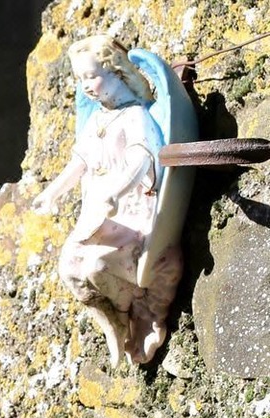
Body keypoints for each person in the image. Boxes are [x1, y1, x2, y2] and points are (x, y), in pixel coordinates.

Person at [33, 35, 181, 366]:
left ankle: (136, 303)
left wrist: (117, 190)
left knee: (98, 267)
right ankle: (114, 319)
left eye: (91, 76)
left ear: (116, 72)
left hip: (131, 213)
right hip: (100, 214)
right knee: (69, 267)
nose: (85, 85)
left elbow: (142, 159)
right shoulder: (99, 118)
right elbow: (79, 163)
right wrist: (52, 193)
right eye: (80, 79)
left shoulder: (133, 116)